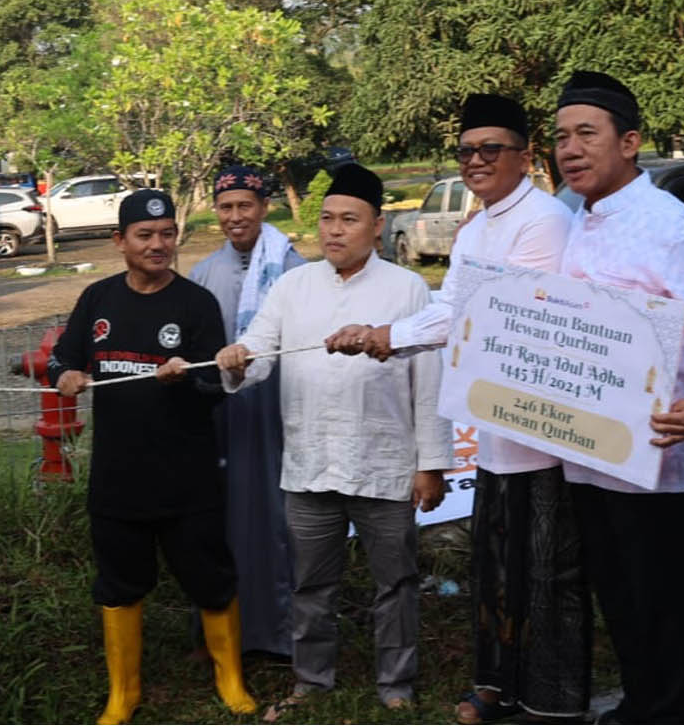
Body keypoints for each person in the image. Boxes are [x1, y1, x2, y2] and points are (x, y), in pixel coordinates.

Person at [325, 94, 588, 724]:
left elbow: (498, 310)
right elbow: (456, 313)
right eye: (466, 150)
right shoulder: (474, 227)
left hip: (547, 427)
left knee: (547, 568)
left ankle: (547, 697)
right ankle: (495, 682)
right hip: (498, 423)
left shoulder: (544, 219)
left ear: (525, 156)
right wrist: (390, 333)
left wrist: (389, 335)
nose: (475, 160)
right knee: (497, 561)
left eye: (490, 149)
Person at [215, 163, 452, 717]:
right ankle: (311, 680)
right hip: (310, 463)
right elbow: (256, 354)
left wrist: (431, 465)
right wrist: (234, 359)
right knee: (309, 584)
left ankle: (396, 681)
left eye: (349, 219)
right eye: (326, 219)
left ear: (377, 226)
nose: (334, 231)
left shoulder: (407, 288)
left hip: (385, 462)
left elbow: (429, 383)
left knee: (395, 583)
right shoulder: (292, 287)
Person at [553, 70, 684, 724]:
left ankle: (676, 709)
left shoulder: (673, 226)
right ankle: (642, 702)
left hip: (657, 453)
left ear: (630, 140)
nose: (570, 148)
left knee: (663, 599)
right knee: (620, 595)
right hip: (588, 447)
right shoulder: (574, 220)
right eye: (560, 136)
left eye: (587, 134)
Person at [47, 189, 255, 723]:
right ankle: (124, 692)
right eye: (145, 235)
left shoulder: (195, 304)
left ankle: (229, 679)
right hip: (118, 479)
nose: (158, 245)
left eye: (167, 235)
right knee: (118, 584)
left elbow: (216, 383)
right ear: (120, 241)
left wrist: (190, 375)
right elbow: (64, 358)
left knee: (211, 578)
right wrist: (66, 375)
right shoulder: (97, 299)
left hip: (187, 478)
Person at [189, 164, 304, 657]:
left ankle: (282, 635)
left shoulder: (293, 269)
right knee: (218, 520)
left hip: (277, 414)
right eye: (226, 207)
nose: (235, 216)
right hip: (220, 419)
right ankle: (220, 632)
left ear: (263, 208)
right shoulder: (202, 274)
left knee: (278, 521)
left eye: (245, 206)